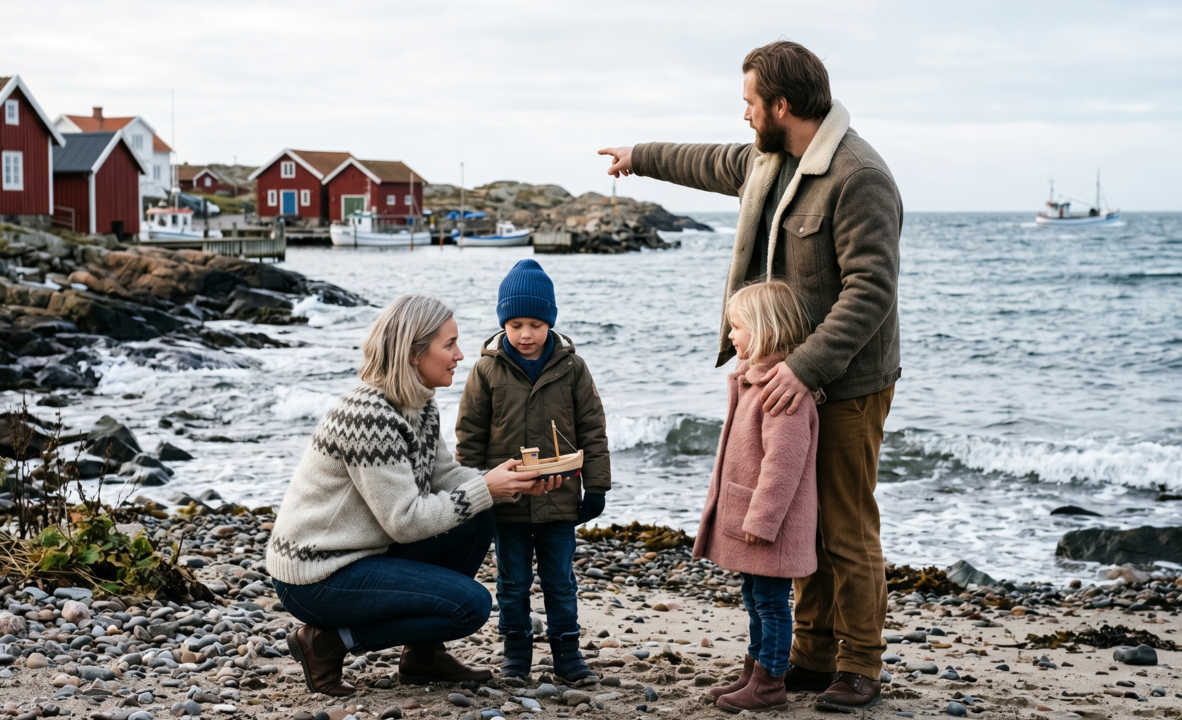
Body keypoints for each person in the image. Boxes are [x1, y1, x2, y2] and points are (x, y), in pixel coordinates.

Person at [599, 40, 901, 711]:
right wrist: (638, 157)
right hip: (785, 372)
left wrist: (804, 366)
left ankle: (861, 663)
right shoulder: (771, 157)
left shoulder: (858, 178)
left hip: (846, 380)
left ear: (782, 106)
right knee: (801, 518)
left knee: (845, 526)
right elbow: (706, 161)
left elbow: (870, 291)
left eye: (749, 103)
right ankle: (812, 654)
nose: (743, 115)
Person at [266, 294, 562, 696]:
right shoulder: (369, 415)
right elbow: (405, 522)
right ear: (412, 352)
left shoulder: (418, 403)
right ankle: (326, 642)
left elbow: (445, 475)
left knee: (480, 516)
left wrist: (507, 481)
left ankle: (422, 656)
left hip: (360, 554)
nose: (460, 355)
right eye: (449, 345)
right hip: (316, 574)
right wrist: (485, 489)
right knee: (469, 606)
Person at [456, 259, 611, 685]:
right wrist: (472, 492)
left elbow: (593, 430)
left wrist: (595, 487)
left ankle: (568, 653)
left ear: (551, 323)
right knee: (512, 582)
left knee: (561, 581)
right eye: (517, 324)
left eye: (537, 324)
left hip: (560, 501)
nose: (526, 334)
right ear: (503, 322)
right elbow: (469, 437)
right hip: (505, 501)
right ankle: (516, 655)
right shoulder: (486, 370)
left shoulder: (572, 368)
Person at [694, 281, 818, 713]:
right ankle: (755, 668)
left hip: (770, 527)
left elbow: (783, 467)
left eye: (737, 327)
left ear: (765, 329)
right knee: (754, 598)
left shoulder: (781, 393)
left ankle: (770, 685)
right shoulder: (752, 380)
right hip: (749, 518)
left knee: (771, 603)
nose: (730, 336)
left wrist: (763, 521)